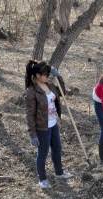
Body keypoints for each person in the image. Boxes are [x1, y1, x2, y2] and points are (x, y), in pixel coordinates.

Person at [25, 60, 72, 189]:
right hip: (42, 128)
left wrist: (58, 76)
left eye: (48, 74)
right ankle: (42, 179)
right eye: (46, 74)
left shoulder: (50, 85)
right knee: (43, 153)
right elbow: (29, 115)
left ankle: (59, 173)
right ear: (38, 75)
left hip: (53, 124)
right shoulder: (31, 92)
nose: (48, 76)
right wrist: (32, 135)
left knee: (57, 149)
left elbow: (62, 91)